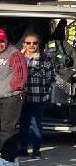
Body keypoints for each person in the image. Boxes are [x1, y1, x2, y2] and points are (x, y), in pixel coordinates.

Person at [0, 28, 27, 166]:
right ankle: (8, 156)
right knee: (3, 127)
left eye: (1, 41)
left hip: (12, 96)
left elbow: (20, 76)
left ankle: (8, 159)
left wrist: (9, 88)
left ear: (6, 40)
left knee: (8, 129)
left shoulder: (14, 53)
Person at [17, 31, 56, 159]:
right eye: (28, 43)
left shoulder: (45, 59)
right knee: (23, 123)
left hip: (39, 97)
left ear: (39, 44)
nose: (31, 45)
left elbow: (52, 78)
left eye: (34, 43)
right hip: (21, 97)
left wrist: (46, 92)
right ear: (24, 44)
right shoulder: (17, 58)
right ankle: (22, 148)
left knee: (36, 123)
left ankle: (36, 149)